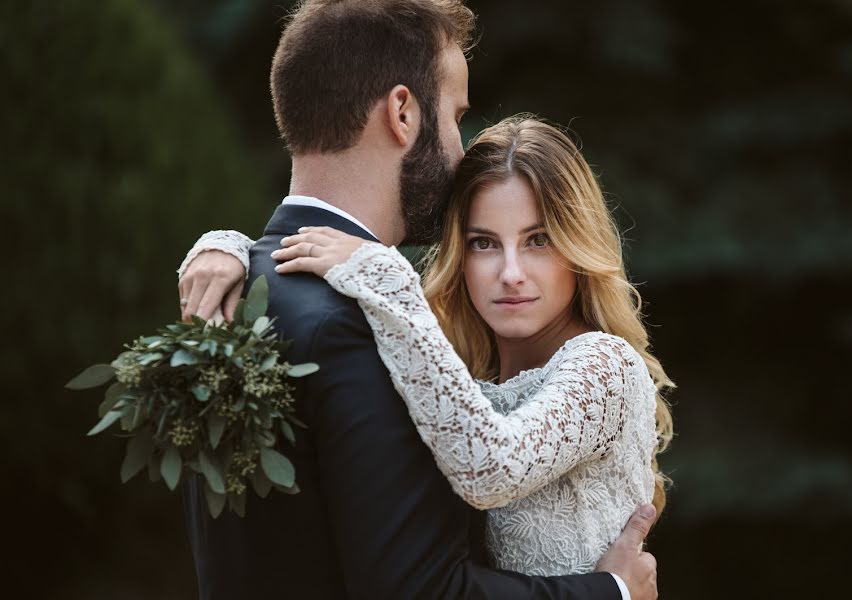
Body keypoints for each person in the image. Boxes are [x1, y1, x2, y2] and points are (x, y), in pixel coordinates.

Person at [178, 1, 660, 599]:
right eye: (455, 116)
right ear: (403, 112)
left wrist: (226, 246)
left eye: (538, 241)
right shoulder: (358, 325)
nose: (459, 154)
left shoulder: (225, 303)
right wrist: (611, 592)